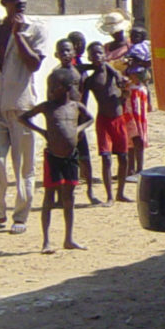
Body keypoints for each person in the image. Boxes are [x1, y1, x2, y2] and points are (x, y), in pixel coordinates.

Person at [0, 0, 48, 235]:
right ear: (3, 3)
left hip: (21, 108)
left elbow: (33, 65)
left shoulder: (35, 29)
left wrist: (20, 35)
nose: (20, 1)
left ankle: (20, 216)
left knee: (24, 166)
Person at [20, 64, 93, 254]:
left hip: (71, 157)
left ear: (67, 88)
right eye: (50, 87)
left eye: (55, 87)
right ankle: (46, 241)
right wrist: (42, 132)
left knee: (69, 198)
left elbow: (90, 118)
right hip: (52, 157)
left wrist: (78, 129)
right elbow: (23, 118)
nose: (51, 91)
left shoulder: (75, 107)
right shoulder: (47, 107)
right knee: (49, 198)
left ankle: (68, 238)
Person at [83, 41, 134, 204]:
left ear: (104, 55)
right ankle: (110, 195)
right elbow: (83, 102)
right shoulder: (90, 80)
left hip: (119, 119)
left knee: (123, 157)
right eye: (94, 54)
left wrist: (124, 90)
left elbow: (125, 88)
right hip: (103, 120)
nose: (97, 56)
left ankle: (120, 192)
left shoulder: (113, 72)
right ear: (89, 57)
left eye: (99, 53)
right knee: (106, 158)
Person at [67, 30, 98, 202]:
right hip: (70, 116)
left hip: (80, 115)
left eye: (81, 43)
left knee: (83, 153)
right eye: (76, 43)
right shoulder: (70, 66)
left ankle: (89, 189)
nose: (80, 46)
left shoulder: (79, 62)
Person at [125, 63, 152, 177]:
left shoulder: (141, 89)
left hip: (138, 119)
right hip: (130, 118)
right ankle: (130, 169)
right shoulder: (129, 87)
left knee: (137, 141)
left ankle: (139, 169)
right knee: (130, 143)